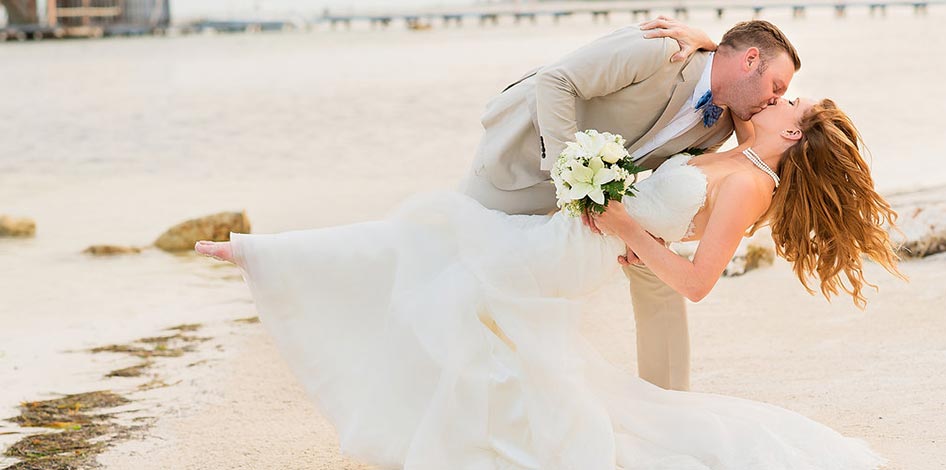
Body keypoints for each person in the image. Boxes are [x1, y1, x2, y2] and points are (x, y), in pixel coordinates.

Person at [195, 97, 901, 468]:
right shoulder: (734, 154)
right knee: (436, 246)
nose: (779, 99)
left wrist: (628, 233)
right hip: (572, 242)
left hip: (572, 256)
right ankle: (263, 257)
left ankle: (262, 257)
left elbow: (696, 284)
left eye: (789, 104)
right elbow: (666, 222)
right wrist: (633, 233)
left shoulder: (752, 183)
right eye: (783, 93)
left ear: (792, 135)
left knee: (431, 244)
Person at [461, 18, 801, 391]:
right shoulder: (659, 51)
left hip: (604, 197)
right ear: (750, 60)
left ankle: (669, 399)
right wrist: (572, 180)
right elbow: (556, 81)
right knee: (464, 258)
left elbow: (702, 172)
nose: (775, 99)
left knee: (656, 276)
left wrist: (648, 238)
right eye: (776, 87)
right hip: (521, 156)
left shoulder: (720, 124)